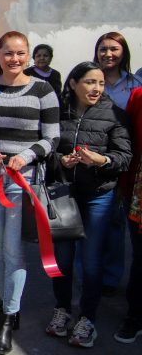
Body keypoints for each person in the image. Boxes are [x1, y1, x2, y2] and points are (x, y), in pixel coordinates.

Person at [0, 31, 60, 355]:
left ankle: (8, 316)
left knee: (13, 250)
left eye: (21, 53)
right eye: (9, 53)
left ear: (28, 56)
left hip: (23, 177)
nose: (15, 59)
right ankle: (8, 307)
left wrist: (26, 155)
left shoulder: (43, 90)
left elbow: (52, 138)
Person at [43, 62, 131, 348]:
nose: (96, 89)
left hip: (99, 196)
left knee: (91, 261)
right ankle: (63, 309)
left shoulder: (115, 114)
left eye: (101, 83)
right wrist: (61, 161)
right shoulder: (59, 112)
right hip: (65, 195)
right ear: (73, 84)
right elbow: (48, 150)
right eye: (90, 82)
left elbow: (124, 157)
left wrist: (101, 160)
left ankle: (88, 318)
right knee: (61, 260)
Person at [94, 32, 138, 295]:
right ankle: (89, 274)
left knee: (116, 223)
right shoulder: (90, 79)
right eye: (102, 49)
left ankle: (111, 277)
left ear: (124, 52)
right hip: (91, 158)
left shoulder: (134, 85)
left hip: (123, 159)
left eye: (114, 49)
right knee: (88, 224)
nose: (108, 54)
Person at [118, 87, 142, 344]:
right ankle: (135, 316)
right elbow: (130, 143)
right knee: (140, 257)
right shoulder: (138, 96)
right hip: (138, 191)